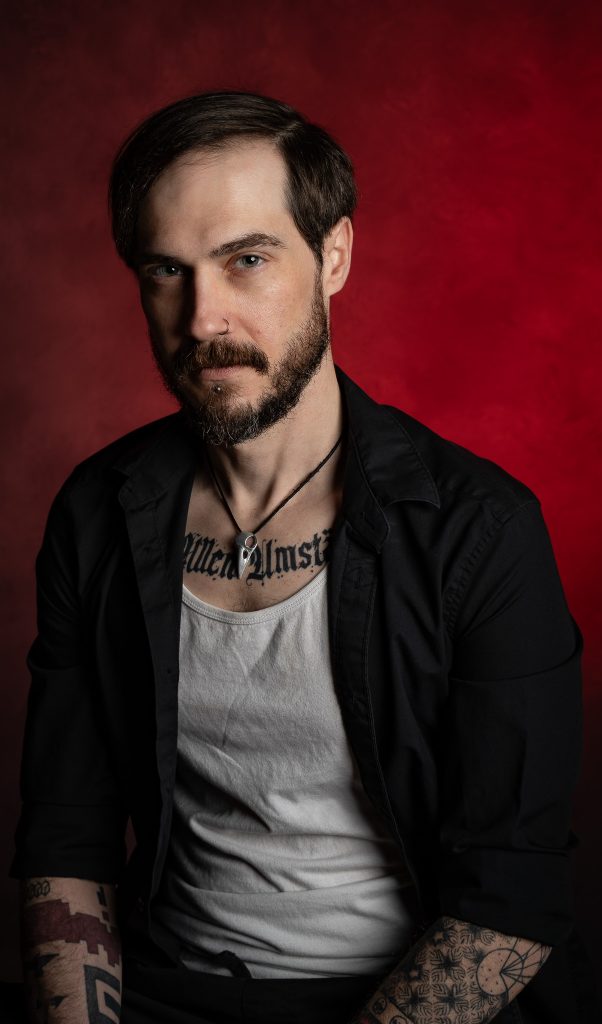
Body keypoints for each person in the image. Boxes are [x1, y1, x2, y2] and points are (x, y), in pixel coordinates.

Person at [9, 91, 600, 1024]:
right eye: (169, 269)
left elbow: (508, 903)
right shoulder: (97, 511)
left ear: (334, 256)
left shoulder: (478, 528)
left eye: (248, 259)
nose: (204, 317)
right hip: (166, 991)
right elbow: (66, 837)